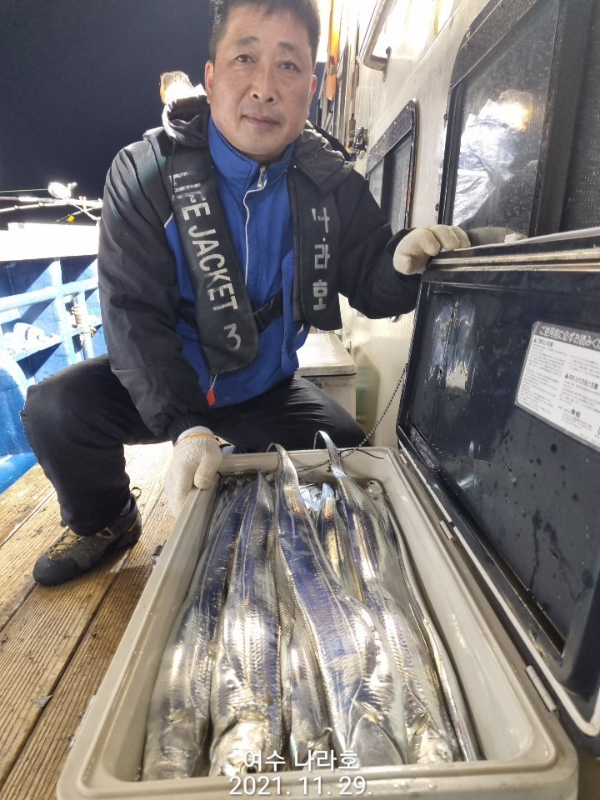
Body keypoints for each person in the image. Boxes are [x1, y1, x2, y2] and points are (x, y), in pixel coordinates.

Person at [21, 0, 469, 586]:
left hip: (263, 388)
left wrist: (404, 264)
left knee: (346, 453)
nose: (264, 87)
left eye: (288, 65)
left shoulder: (333, 184)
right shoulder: (146, 172)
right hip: (170, 384)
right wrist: (186, 426)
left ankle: (241, 483)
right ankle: (108, 519)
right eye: (244, 58)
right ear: (210, 78)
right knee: (55, 408)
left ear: (309, 88)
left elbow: (371, 282)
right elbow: (133, 314)